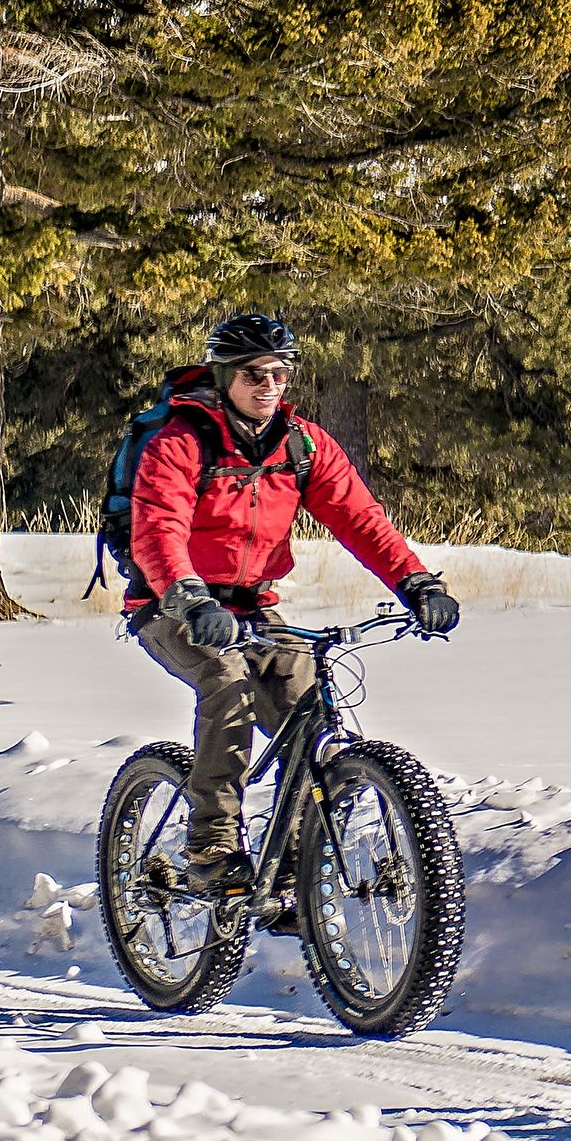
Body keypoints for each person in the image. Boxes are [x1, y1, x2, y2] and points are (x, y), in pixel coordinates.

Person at [125, 312, 461, 901]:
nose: (270, 386)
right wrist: (190, 598)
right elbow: (158, 531)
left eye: (280, 373)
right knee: (227, 682)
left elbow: (360, 520)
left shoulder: (302, 445)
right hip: (172, 605)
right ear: (225, 376)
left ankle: (294, 873)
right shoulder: (181, 441)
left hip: (253, 606)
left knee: (309, 714)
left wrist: (417, 583)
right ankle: (211, 846)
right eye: (255, 374)